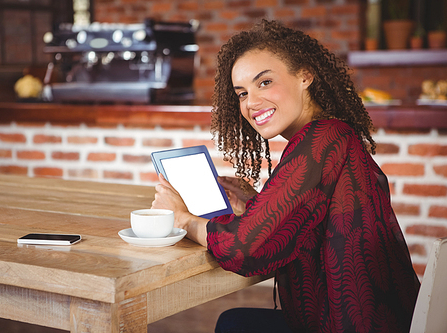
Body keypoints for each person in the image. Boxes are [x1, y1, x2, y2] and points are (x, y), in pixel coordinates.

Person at [151, 19, 420, 333]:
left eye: (264, 82)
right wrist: (255, 205)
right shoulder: (327, 136)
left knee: (234, 325)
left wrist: (181, 219)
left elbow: (246, 250)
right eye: (241, 93)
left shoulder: (324, 138)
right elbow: (309, 222)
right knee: (235, 322)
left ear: (305, 75)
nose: (251, 102)